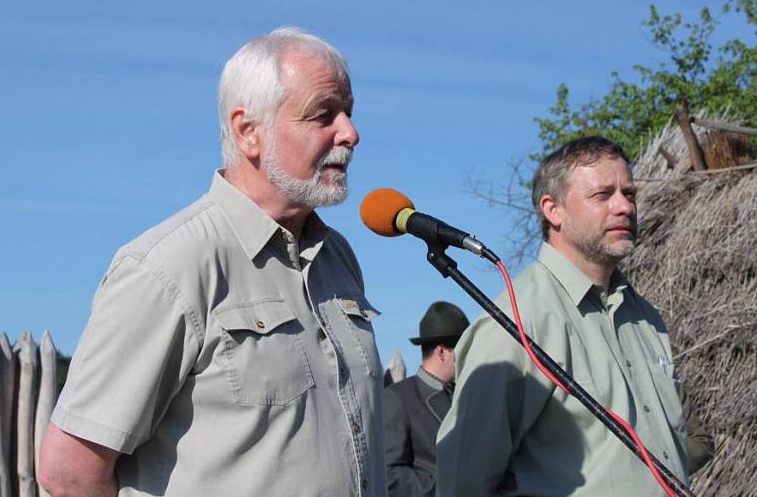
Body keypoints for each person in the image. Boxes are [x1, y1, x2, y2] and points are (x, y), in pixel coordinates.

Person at [38, 27, 386, 496]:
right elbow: (70, 472)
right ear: (248, 132)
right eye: (323, 115)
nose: (350, 133)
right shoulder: (167, 266)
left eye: (348, 112)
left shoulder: (338, 257)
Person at [437, 136, 712, 495]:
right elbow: (463, 484)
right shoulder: (514, 325)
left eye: (628, 194)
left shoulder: (645, 317)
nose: (624, 207)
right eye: (602, 195)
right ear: (553, 210)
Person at [383, 301, 469, 497]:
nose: (470, 355)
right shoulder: (397, 398)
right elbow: (390, 475)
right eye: (464, 348)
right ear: (441, 352)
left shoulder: (466, 394)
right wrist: (448, 487)